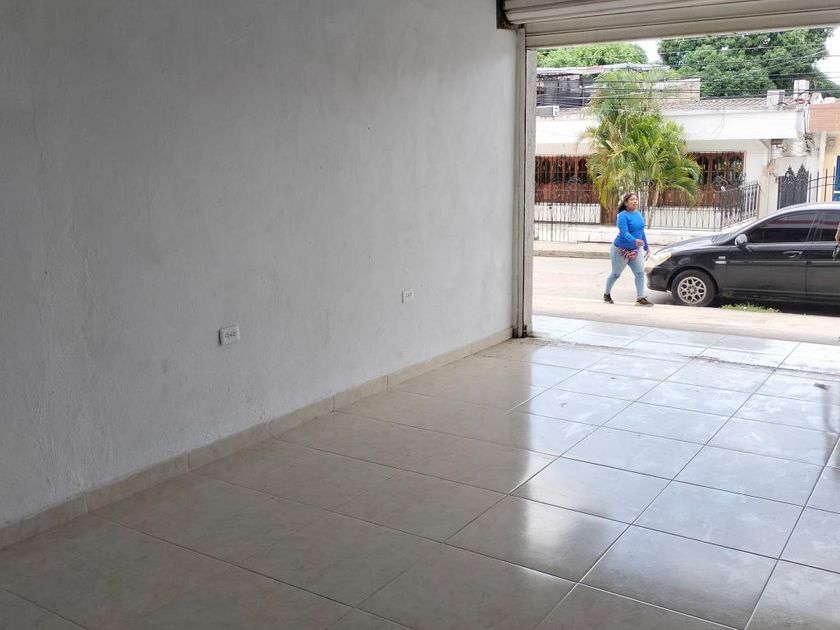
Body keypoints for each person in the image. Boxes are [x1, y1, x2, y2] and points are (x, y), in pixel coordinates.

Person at [603, 192, 653, 306]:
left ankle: (640, 298)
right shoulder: (622, 216)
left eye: (636, 199)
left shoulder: (638, 214)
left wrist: (646, 247)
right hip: (620, 250)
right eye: (632, 199)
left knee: (640, 273)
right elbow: (624, 233)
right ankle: (607, 294)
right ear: (626, 203)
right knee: (616, 274)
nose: (635, 201)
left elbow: (641, 232)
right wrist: (635, 241)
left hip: (635, 250)